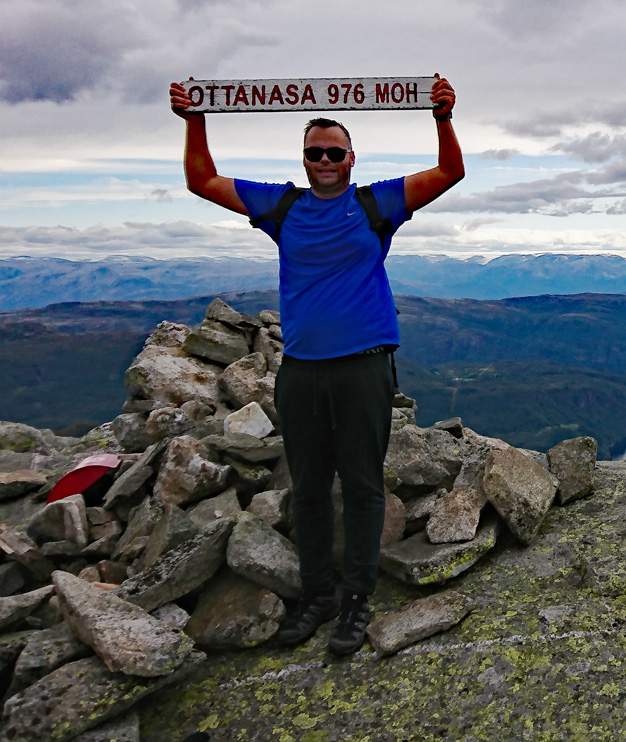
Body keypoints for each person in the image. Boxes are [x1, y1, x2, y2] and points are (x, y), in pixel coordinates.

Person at [169, 75, 464, 655]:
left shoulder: (376, 203)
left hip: (363, 365)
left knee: (359, 485)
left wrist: (442, 117)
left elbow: (449, 173)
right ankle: (318, 596)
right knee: (306, 489)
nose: (325, 160)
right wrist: (194, 119)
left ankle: (356, 602)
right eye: (315, 152)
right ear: (303, 159)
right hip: (301, 369)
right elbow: (201, 180)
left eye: (335, 152)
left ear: (352, 158)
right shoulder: (282, 205)